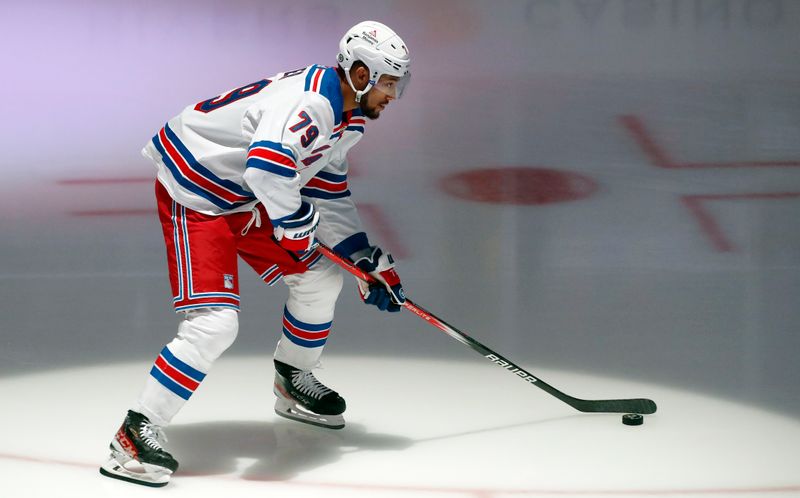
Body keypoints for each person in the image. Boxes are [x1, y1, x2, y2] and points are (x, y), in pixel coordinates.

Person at [99, 20, 411, 488]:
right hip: (197, 193)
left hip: (245, 193)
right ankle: (133, 433)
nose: (394, 94)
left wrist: (361, 257)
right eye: (389, 82)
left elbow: (325, 187)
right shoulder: (313, 104)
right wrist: (293, 222)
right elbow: (267, 170)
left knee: (323, 276)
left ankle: (293, 379)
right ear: (361, 74)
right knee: (214, 325)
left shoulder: (350, 117)